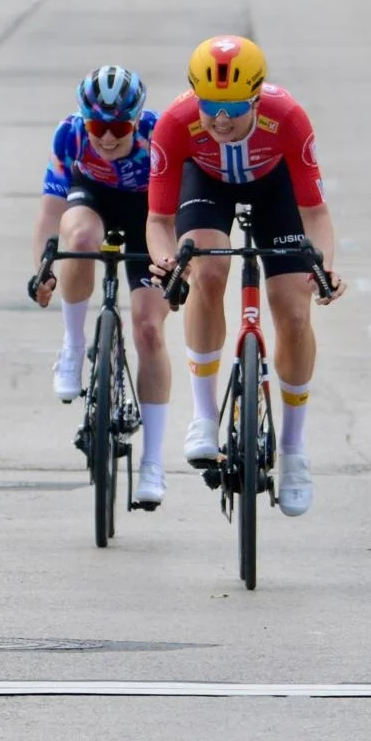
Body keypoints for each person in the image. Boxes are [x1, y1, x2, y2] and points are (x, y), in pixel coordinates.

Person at [145, 36, 345, 518]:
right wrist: (167, 261)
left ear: (255, 98)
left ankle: (294, 454)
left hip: (275, 189)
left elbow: (315, 212)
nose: (219, 118)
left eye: (233, 106)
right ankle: (202, 416)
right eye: (210, 104)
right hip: (206, 185)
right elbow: (158, 221)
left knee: (294, 311)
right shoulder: (176, 123)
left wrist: (325, 267)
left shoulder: (288, 118)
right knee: (207, 270)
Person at [30, 67, 171, 506]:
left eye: (119, 127)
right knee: (81, 240)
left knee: (149, 330)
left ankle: (154, 464)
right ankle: (73, 347)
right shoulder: (69, 136)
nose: (107, 138)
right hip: (89, 198)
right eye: (98, 127)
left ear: (137, 120)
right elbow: (50, 214)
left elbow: (173, 215)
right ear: (83, 120)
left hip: (147, 211)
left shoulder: (158, 136)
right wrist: (43, 270)